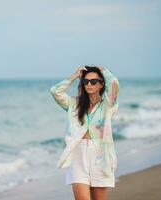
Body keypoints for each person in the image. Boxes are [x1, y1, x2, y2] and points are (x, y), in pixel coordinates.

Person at [50, 65, 120, 200]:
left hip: (101, 156)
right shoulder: (74, 104)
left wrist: (103, 70)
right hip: (77, 156)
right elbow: (55, 91)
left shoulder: (108, 104)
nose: (89, 84)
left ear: (101, 84)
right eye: (86, 81)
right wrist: (75, 76)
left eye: (93, 81)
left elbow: (114, 83)